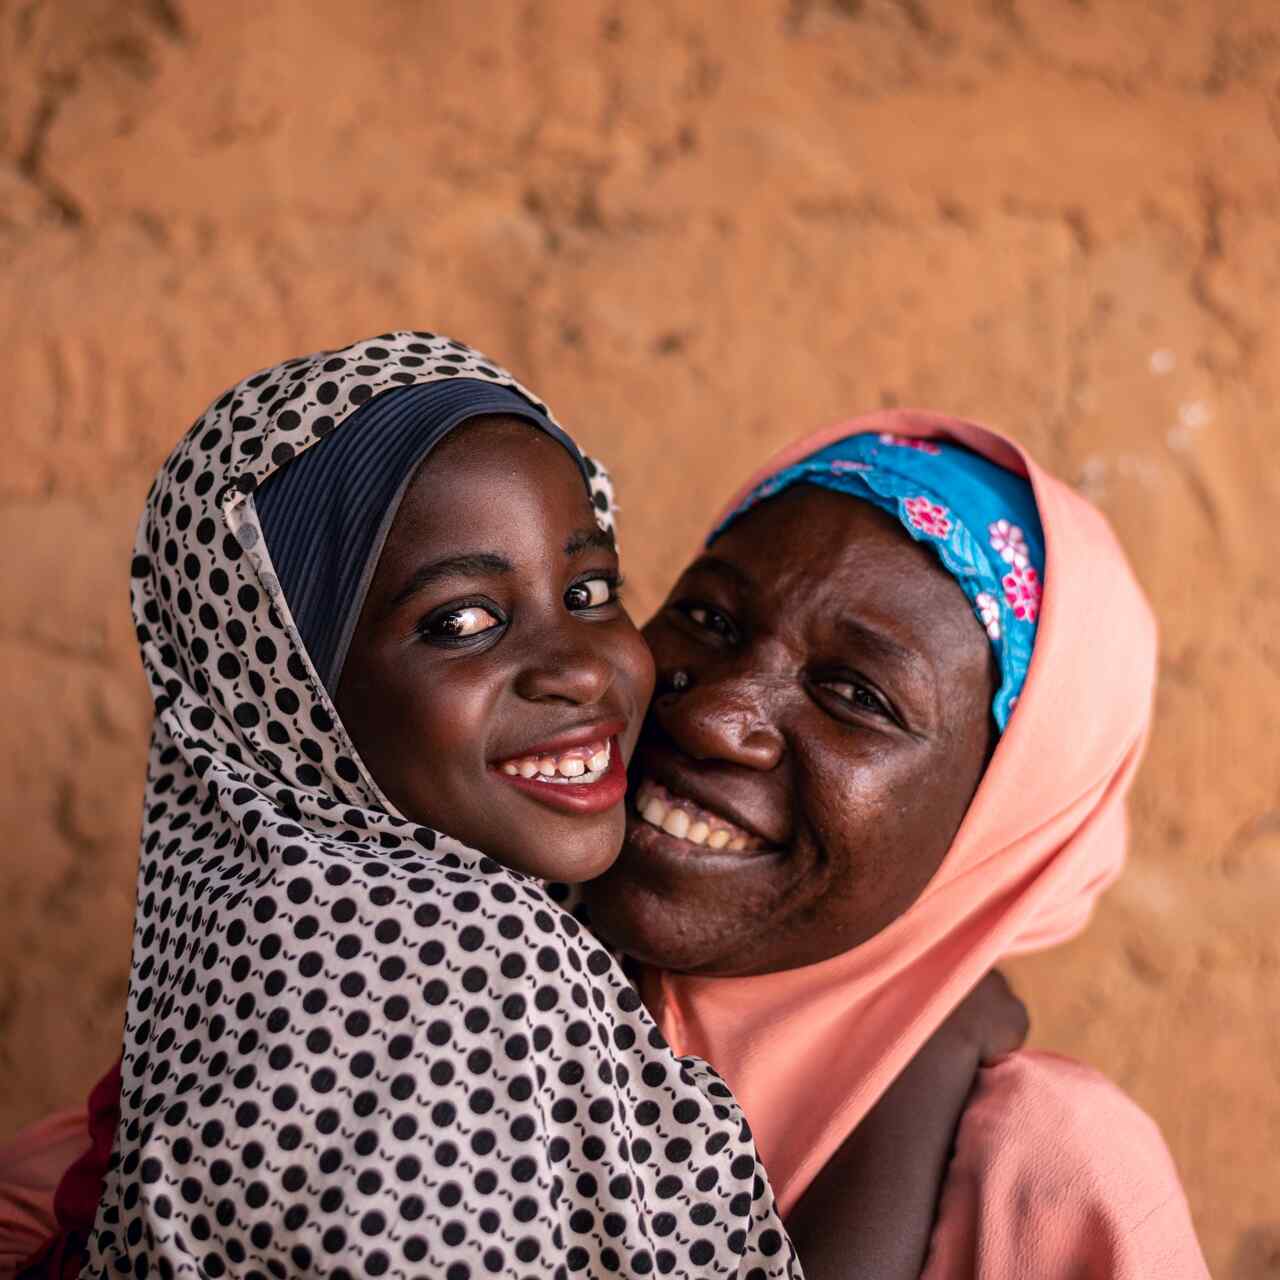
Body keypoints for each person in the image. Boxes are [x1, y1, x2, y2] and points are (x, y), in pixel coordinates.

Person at [2, 338, 1025, 1280]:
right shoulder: (443, 960)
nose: (578, 667)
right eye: (460, 622)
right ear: (282, 686)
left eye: (589, 592)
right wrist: (927, 1073)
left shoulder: (258, 926)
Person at [583, 418, 1211, 1277]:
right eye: (707, 617)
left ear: (997, 822)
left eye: (857, 695)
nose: (712, 718)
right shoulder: (466, 939)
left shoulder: (1052, 1177)